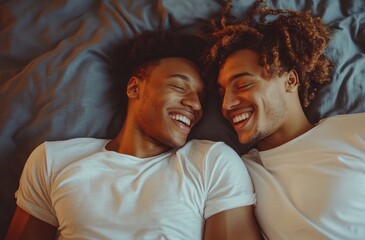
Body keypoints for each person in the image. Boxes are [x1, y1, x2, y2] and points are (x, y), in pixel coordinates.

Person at [203, 0, 365, 239]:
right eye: (221, 94)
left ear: (290, 81)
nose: (227, 104)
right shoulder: (235, 172)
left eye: (244, 85)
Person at [6, 30, 261, 240]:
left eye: (201, 97)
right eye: (178, 86)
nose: (195, 105)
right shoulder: (52, 160)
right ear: (133, 87)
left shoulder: (211, 162)